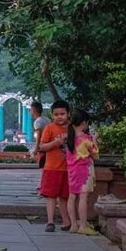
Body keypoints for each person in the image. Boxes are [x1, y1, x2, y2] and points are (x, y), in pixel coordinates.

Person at [39, 99, 73, 232]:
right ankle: (50, 221)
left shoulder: (72, 128)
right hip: (52, 168)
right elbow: (42, 146)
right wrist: (55, 143)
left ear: (68, 114)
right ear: (52, 115)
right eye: (56, 114)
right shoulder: (49, 128)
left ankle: (66, 221)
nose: (59, 117)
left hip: (68, 168)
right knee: (51, 196)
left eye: (62, 114)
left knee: (65, 196)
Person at [66, 109, 99, 235]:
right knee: (83, 197)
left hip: (72, 171)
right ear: (84, 122)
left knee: (72, 197)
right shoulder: (86, 138)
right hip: (84, 171)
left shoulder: (69, 137)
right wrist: (94, 138)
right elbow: (95, 154)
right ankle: (83, 226)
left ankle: (74, 225)